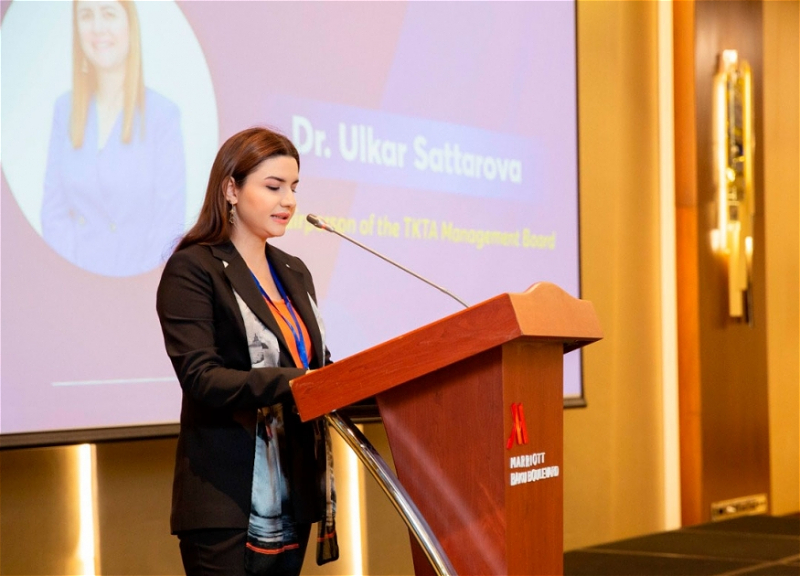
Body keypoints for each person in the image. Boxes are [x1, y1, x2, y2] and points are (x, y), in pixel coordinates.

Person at [156, 127, 338, 576]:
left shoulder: (294, 271)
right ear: (231, 190)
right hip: (227, 500)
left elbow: (316, 363)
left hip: (293, 491)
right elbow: (202, 378)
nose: (289, 201)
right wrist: (299, 383)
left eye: (294, 187)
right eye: (274, 187)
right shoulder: (194, 268)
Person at [42, 0, 186, 277]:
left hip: (140, 285)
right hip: (71, 282)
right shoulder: (65, 109)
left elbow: (168, 225)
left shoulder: (163, 115)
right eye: (86, 15)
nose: (98, 27)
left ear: (130, 23)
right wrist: (72, 273)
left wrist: (131, 287)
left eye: (108, 14)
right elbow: (54, 212)